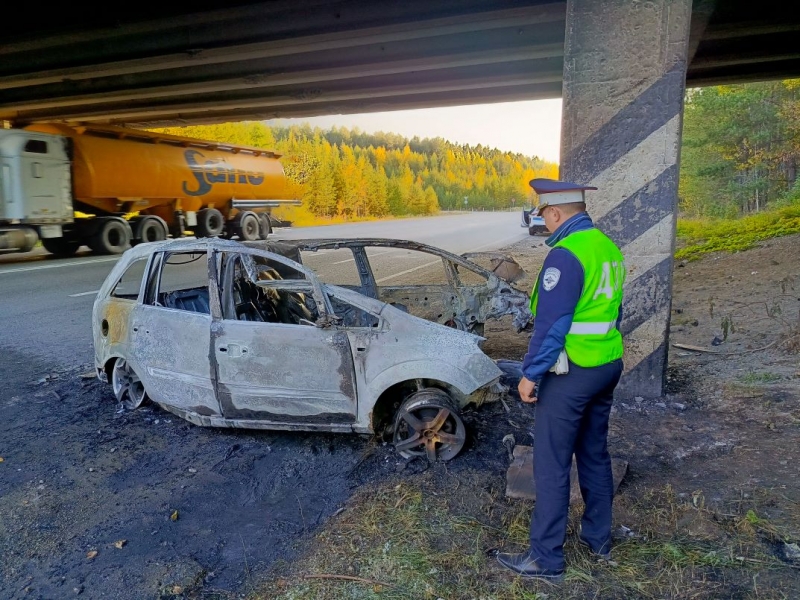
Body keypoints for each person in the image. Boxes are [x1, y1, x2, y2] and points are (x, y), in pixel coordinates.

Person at [496, 178, 625, 580]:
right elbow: (613, 313)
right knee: (593, 453)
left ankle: (546, 559)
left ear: (555, 212)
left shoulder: (566, 256)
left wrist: (530, 374)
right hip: (606, 364)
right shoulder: (606, 247)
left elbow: (552, 326)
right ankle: (599, 539)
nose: (544, 224)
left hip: (572, 374)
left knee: (551, 465)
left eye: (544, 216)